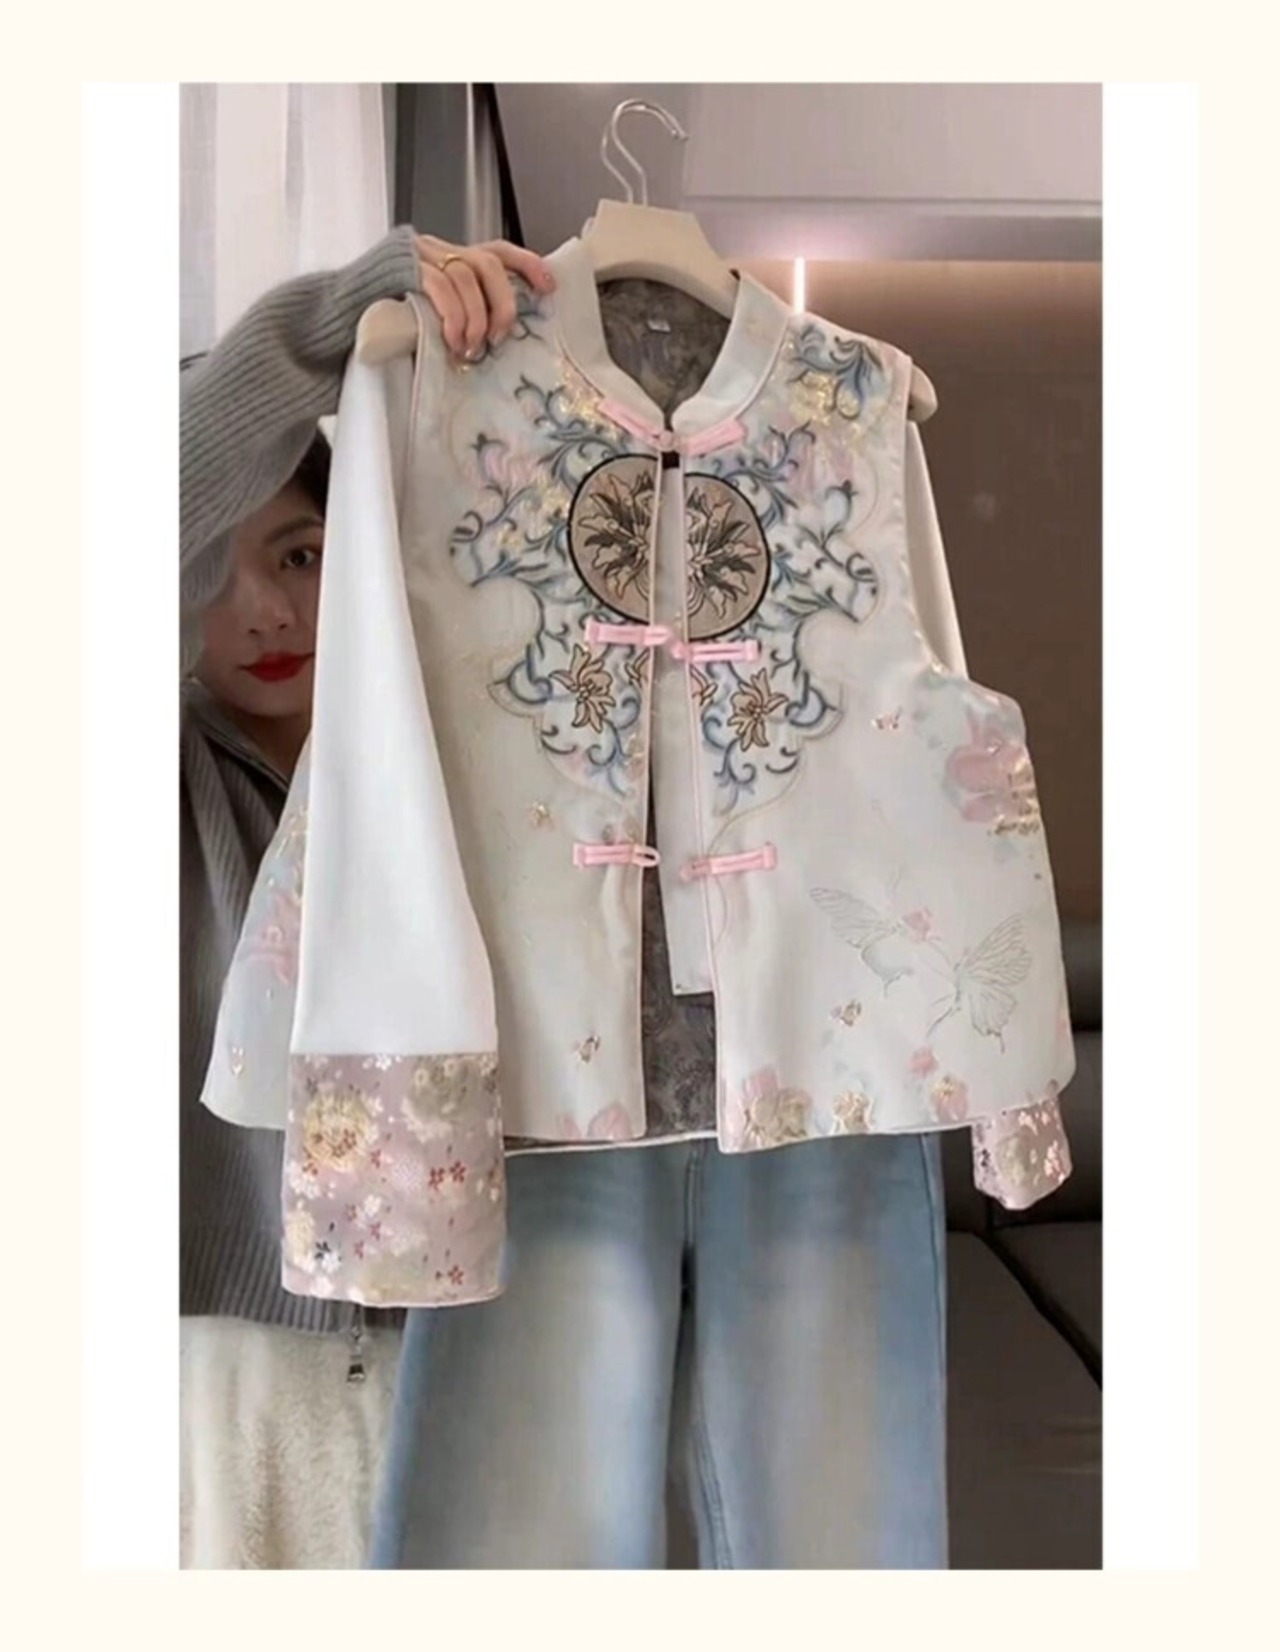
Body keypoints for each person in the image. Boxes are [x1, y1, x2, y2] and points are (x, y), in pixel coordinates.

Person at [179, 227, 555, 1569]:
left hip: (467, 1330)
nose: (263, 616)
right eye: (210, 574)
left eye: (297, 555)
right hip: (239, 1359)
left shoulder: (444, 765)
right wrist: (329, 321)